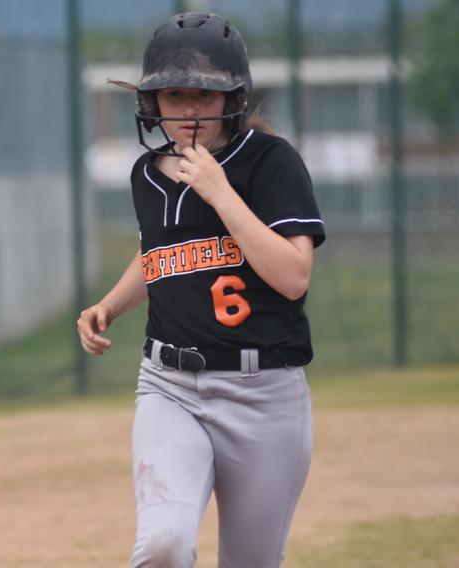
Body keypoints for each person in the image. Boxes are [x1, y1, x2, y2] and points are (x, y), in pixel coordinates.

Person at [76, 13, 325, 567]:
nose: (188, 110)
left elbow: (293, 276)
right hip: (170, 387)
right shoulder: (146, 174)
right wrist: (109, 305)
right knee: (163, 545)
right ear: (151, 102)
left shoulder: (270, 161)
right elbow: (160, 256)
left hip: (263, 394)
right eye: (174, 94)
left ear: (234, 97)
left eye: (204, 95)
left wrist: (220, 192)